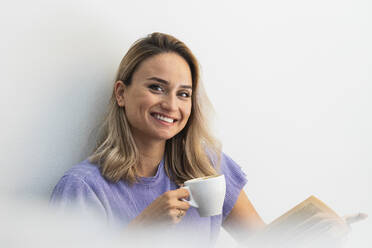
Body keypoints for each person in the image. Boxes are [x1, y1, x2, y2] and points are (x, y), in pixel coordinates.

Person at [50, 32, 265, 246]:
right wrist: (142, 228)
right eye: (156, 88)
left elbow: (266, 242)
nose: (171, 105)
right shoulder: (83, 188)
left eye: (183, 94)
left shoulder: (207, 166)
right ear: (121, 94)